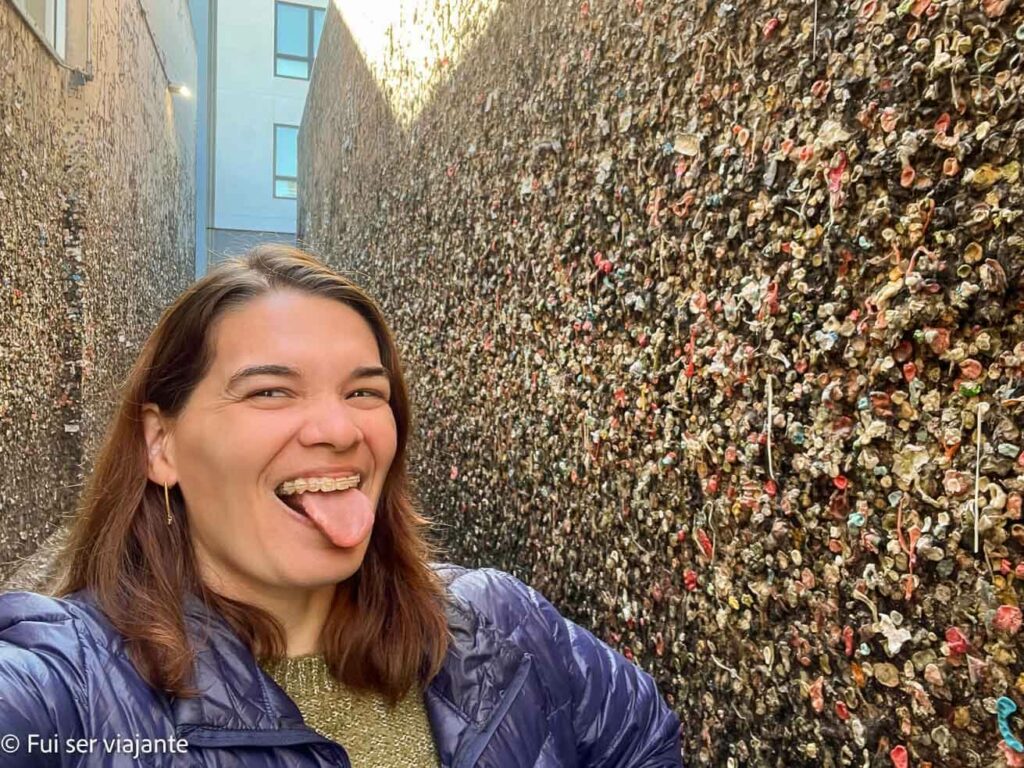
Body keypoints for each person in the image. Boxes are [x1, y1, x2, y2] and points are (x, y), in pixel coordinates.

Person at [0, 245, 683, 767]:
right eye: (271, 391)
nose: (339, 429)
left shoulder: (500, 623)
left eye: (365, 392)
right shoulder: (72, 686)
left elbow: (643, 739)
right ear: (161, 445)